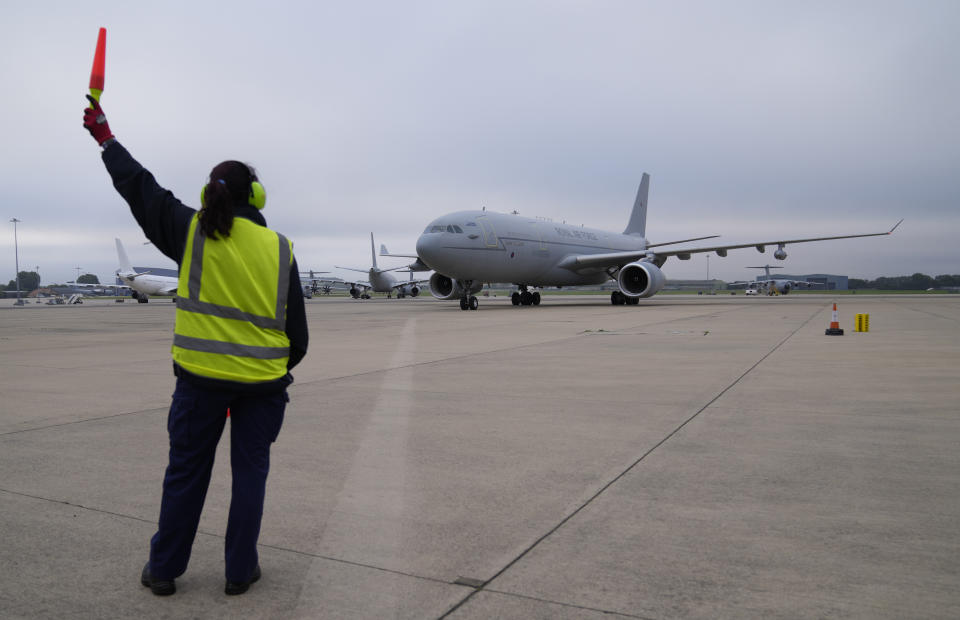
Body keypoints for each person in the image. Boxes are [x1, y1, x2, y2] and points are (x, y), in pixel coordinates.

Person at [82, 95, 309, 596]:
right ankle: (238, 572)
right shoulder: (281, 248)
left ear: (211, 195)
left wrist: (105, 137)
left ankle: (164, 570)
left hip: (199, 385)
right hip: (263, 388)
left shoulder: (192, 231)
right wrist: (266, 370)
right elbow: (300, 339)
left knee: (186, 473)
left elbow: (140, 188)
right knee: (250, 475)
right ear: (258, 196)